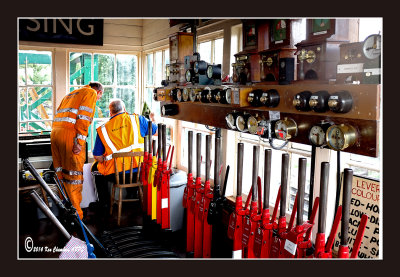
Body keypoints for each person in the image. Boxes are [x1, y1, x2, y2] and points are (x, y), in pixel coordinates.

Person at [91, 98, 157, 215]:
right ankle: (133, 197)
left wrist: (108, 159)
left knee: (95, 169)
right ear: (125, 109)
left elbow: (97, 156)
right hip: (140, 172)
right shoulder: (138, 119)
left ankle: (104, 204)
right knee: (132, 169)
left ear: (110, 112)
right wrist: (153, 119)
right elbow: (156, 132)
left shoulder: (103, 129)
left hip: (118, 176)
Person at [51, 81, 104, 219]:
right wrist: (79, 142)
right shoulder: (90, 93)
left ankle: (65, 209)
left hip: (56, 134)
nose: (98, 100)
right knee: (73, 177)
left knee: (61, 174)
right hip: (69, 136)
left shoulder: (70, 95)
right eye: (100, 97)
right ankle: (76, 216)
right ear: (98, 92)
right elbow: (84, 118)